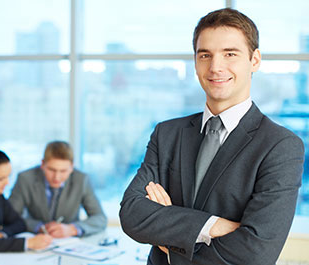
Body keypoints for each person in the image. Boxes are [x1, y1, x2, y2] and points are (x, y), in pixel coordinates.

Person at [119, 8, 304, 265]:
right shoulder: (167, 134)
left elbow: (257, 253)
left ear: (255, 60)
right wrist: (213, 226)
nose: (216, 67)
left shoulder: (280, 146)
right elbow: (131, 214)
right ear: (196, 62)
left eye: (230, 54)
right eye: (205, 55)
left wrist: (171, 238)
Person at [9, 141, 107, 239]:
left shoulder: (81, 180)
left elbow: (100, 218)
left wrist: (72, 229)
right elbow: (10, 216)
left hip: (69, 242)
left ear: (71, 167)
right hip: (36, 240)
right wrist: (38, 227)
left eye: (63, 171)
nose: (57, 177)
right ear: (42, 164)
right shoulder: (25, 178)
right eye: (51, 170)